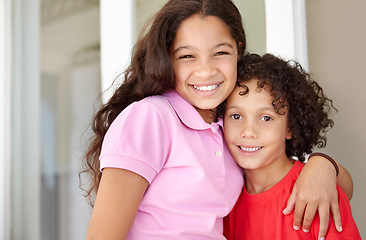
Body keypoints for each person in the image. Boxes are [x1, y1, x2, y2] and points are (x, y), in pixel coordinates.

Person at [80, 0, 353, 239]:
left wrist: (322, 164)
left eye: (220, 52)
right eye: (187, 56)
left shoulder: (227, 128)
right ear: (167, 60)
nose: (205, 70)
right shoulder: (150, 118)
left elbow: (341, 188)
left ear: (239, 50)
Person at [223, 53, 361, 240]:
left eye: (266, 118)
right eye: (236, 116)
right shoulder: (223, 201)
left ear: (290, 127)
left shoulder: (318, 193)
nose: (248, 132)